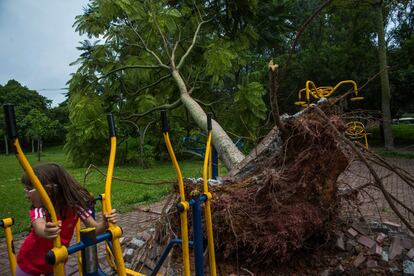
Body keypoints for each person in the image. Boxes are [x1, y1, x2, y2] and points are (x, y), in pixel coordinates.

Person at [16, 163, 118, 276]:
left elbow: (94, 229)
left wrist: (104, 224)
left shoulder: (75, 206)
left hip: (56, 259)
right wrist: (46, 231)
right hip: (30, 261)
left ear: (48, 189)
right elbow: (39, 225)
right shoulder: (39, 209)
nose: (26, 195)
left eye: (29, 189)